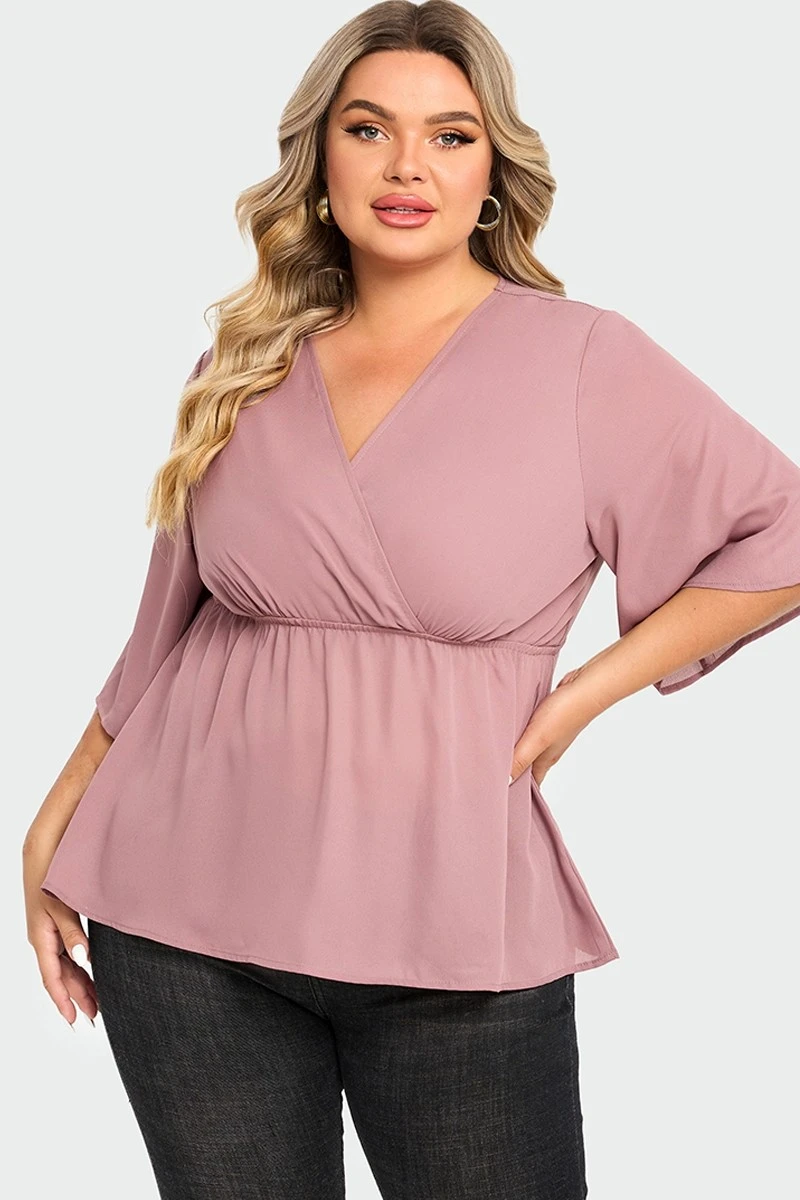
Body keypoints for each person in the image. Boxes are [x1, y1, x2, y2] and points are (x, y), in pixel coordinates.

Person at [23, 2, 800, 1197]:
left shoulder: (582, 360)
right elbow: (163, 628)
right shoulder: (245, 362)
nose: (404, 167)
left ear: (491, 172)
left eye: (449, 135)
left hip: (452, 927)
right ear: (318, 158)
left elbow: (778, 528)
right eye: (367, 129)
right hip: (180, 919)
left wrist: (580, 695)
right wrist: (57, 817)